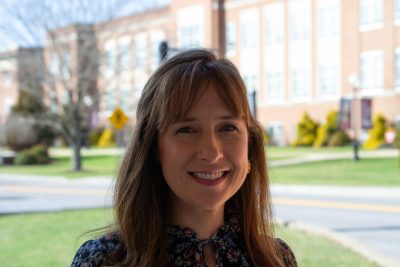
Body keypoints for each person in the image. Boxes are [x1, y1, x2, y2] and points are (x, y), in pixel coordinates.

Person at [71, 49, 297, 267]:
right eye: (187, 130)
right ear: (153, 147)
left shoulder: (278, 258)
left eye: (228, 128)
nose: (212, 152)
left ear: (250, 145)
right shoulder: (104, 261)